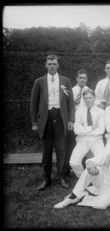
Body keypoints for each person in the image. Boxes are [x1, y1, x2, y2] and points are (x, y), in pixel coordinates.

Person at [30, 54, 75, 190]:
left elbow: (70, 102)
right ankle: (46, 179)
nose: (52, 66)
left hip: (61, 118)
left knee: (62, 150)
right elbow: (34, 103)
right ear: (45, 65)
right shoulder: (39, 81)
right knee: (46, 150)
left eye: (54, 64)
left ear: (58, 65)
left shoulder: (65, 81)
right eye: (49, 64)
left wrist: (71, 119)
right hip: (45, 119)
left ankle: (62, 177)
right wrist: (34, 122)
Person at [69, 89, 105, 178]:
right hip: (82, 140)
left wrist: (84, 129)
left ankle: (98, 179)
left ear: (94, 98)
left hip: (96, 139)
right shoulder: (79, 112)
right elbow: (76, 130)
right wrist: (91, 128)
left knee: (102, 160)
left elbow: (101, 130)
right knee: (73, 162)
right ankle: (84, 178)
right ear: (83, 99)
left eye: (90, 98)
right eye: (86, 98)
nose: (88, 100)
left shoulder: (101, 111)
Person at [66, 69, 90, 176]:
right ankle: (71, 167)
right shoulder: (71, 91)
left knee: (84, 144)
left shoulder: (89, 91)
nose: (82, 80)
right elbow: (68, 107)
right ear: (76, 78)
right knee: (72, 144)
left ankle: (84, 166)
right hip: (73, 121)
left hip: (84, 123)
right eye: (80, 77)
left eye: (84, 78)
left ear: (87, 79)